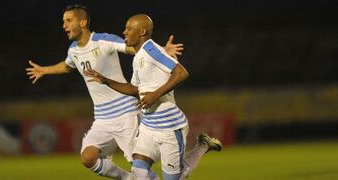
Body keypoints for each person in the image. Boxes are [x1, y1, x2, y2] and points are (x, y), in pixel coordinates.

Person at [26, 5, 183, 180]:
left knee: (140, 168)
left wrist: (162, 50)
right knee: (88, 157)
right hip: (102, 117)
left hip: (126, 113)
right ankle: (127, 178)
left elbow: (134, 47)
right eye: (63, 21)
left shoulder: (103, 41)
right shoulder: (73, 50)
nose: (64, 25)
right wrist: (44, 70)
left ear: (83, 22)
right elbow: (67, 65)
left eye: (68, 21)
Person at [84, 14, 222, 180]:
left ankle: (202, 146)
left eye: (129, 28)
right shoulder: (138, 57)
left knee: (174, 178)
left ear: (142, 31)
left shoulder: (151, 50)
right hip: (148, 127)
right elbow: (133, 89)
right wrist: (106, 81)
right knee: (139, 173)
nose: (124, 32)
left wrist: (155, 95)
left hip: (169, 127)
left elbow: (181, 73)